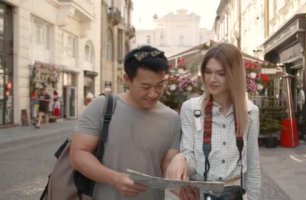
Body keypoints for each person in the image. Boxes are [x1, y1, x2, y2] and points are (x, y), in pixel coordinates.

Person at [69, 45, 181, 200]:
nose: (153, 93)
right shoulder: (103, 106)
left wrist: (181, 187)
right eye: (146, 87)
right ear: (127, 79)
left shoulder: (172, 119)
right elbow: (78, 154)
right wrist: (114, 179)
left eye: (160, 86)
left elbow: (167, 165)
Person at [166, 42, 261, 200]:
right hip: (201, 195)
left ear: (234, 74)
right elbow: (190, 158)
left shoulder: (250, 112)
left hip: (235, 194)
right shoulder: (191, 109)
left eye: (221, 73)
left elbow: (253, 166)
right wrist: (180, 158)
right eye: (208, 72)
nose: (212, 79)